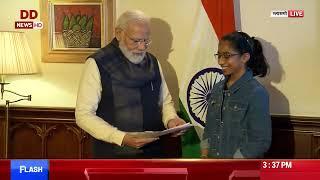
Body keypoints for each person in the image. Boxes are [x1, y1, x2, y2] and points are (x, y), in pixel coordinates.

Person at [75, 10, 185, 158]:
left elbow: (165, 102)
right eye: (136, 41)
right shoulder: (97, 63)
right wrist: (121, 138)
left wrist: (171, 120)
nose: (142, 47)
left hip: (153, 154)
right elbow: (83, 115)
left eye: (146, 41)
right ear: (119, 33)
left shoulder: (153, 61)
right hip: (112, 157)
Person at [201, 31, 272, 158]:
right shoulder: (217, 89)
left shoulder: (256, 93)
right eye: (219, 55)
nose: (221, 61)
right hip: (213, 165)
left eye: (227, 55)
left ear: (245, 57)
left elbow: (260, 141)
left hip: (239, 170)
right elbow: (208, 129)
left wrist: (234, 163)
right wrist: (205, 156)